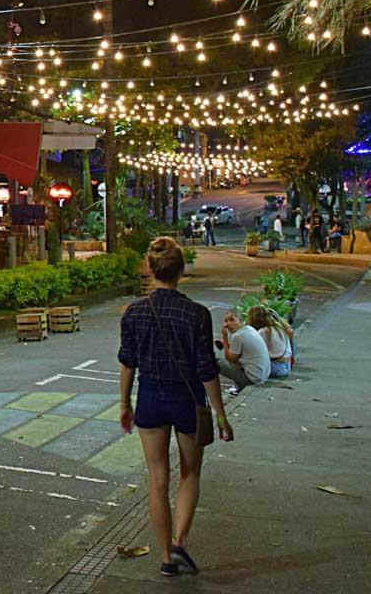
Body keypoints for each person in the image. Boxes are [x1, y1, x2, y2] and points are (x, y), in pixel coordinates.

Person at [118, 237, 234, 577]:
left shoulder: (134, 312)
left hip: (151, 397)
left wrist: (125, 403)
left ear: (151, 270)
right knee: (189, 473)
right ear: (181, 270)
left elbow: (128, 362)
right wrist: (220, 413)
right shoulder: (196, 314)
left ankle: (167, 557)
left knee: (156, 479)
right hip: (187, 400)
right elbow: (206, 369)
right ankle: (181, 539)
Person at [217, 310, 271, 389]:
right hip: (262, 375)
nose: (228, 324)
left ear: (240, 320)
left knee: (215, 362)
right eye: (226, 321)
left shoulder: (237, 336)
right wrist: (226, 345)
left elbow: (231, 359)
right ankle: (239, 387)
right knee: (236, 363)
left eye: (232, 320)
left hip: (252, 378)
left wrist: (224, 337)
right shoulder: (249, 329)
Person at [248, 305, 294, 378]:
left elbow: (253, 353)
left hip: (276, 367)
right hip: (286, 365)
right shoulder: (279, 327)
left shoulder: (263, 331)